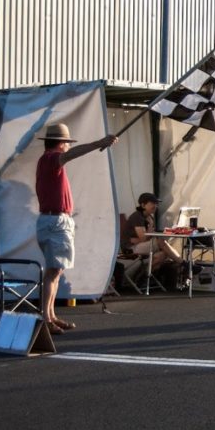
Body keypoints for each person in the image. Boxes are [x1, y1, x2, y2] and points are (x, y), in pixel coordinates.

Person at [35, 122, 118, 335]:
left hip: (56, 221)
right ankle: (46, 317)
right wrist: (99, 142)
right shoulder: (51, 159)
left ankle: (50, 315)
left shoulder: (48, 161)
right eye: (67, 143)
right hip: (55, 222)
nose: (68, 147)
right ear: (61, 144)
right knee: (53, 271)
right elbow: (71, 155)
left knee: (56, 270)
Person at [120, 192, 188, 276]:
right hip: (129, 248)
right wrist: (150, 227)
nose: (155, 206)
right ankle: (184, 264)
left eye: (156, 204)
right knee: (160, 242)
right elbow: (144, 238)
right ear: (143, 205)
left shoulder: (149, 217)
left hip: (139, 245)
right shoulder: (137, 216)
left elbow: (147, 237)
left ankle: (143, 275)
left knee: (164, 253)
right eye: (152, 203)